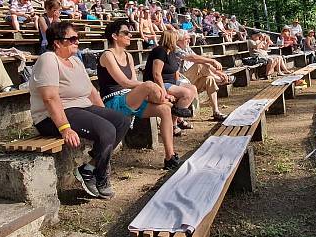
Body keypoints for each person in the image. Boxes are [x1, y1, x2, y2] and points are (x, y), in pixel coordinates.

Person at [30, 21, 129, 199]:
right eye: (73, 38)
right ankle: (100, 176)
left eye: (78, 38)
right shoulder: (48, 59)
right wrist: (65, 128)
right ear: (57, 43)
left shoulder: (75, 61)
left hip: (81, 108)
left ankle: (89, 168)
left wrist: (104, 113)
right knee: (107, 130)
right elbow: (50, 98)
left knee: (121, 121)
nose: (77, 42)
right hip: (52, 116)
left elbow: (91, 90)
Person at [97, 19, 185, 170]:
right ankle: (167, 101)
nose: (130, 35)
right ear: (114, 36)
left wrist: (147, 89)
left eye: (130, 32)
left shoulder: (128, 56)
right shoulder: (107, 55)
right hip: (113, 101)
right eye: (126, 33)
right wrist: (149, 87)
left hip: (130, 98)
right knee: (150, 85)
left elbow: (131, 83)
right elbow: (125, 82)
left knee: (164, 110)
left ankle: (170, 157)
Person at [145, 30, 196, 131]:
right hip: (159, 84)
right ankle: (173, 125)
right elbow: (156, 74)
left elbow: (175, 71)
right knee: (186, 93)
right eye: (175, 38)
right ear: (170, 39)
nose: (177, 40)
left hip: (170, 82)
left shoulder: (171, 51)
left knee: (192, 89)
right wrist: (164, 93)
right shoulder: (160, 51)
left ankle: (179, 119)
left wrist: (178, 86)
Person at [176, 30, 232, 121]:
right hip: (181, 80)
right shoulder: (175, 48)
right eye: (187, 39)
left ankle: (216, 111)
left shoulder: (187, 48)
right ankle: (220, 80)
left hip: (191, 79)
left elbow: (202, 61)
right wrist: (212, 61)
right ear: (179, 40)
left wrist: (218, 72)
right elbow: (194, 59)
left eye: (189, 39)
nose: (189, 41)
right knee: (199, 63)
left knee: (209, 79)